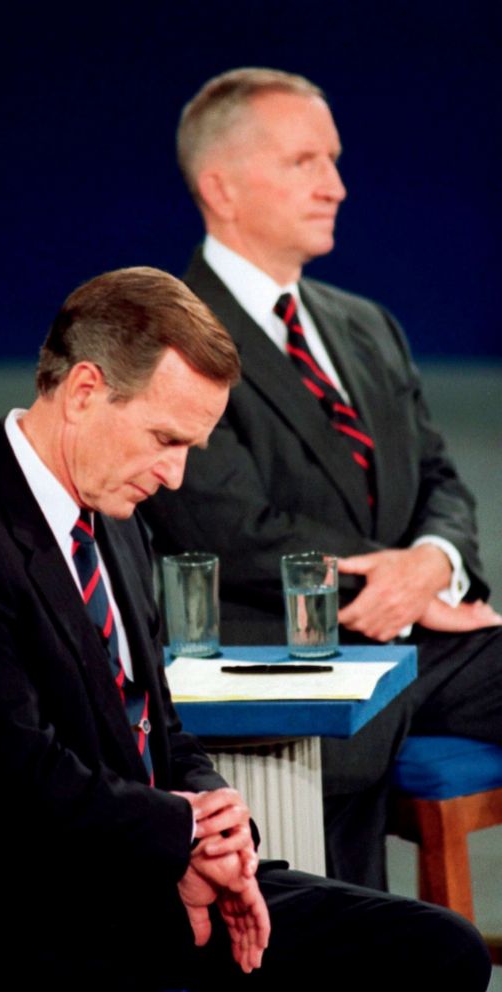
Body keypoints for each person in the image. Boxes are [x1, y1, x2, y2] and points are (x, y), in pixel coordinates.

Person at [0, 266, 490, 990]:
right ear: (84, 392)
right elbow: (11, 784)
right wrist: (182, 836)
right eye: (164, 438)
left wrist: (218, 827)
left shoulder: (113, 519)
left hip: (131, 883)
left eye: (189, 449)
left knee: (436, 949)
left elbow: (159, 726)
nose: (175, 477)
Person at [141, 67, 502, 887]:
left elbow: (441, 477)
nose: (336, 186)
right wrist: (398, 582)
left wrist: (432, 565)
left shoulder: (364, 324)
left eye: (334, 161)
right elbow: (229, 529)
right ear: (221, 187)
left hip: (415, 644)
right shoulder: (167, 334)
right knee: (345, 940)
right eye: (306, 162)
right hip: (280, 656)